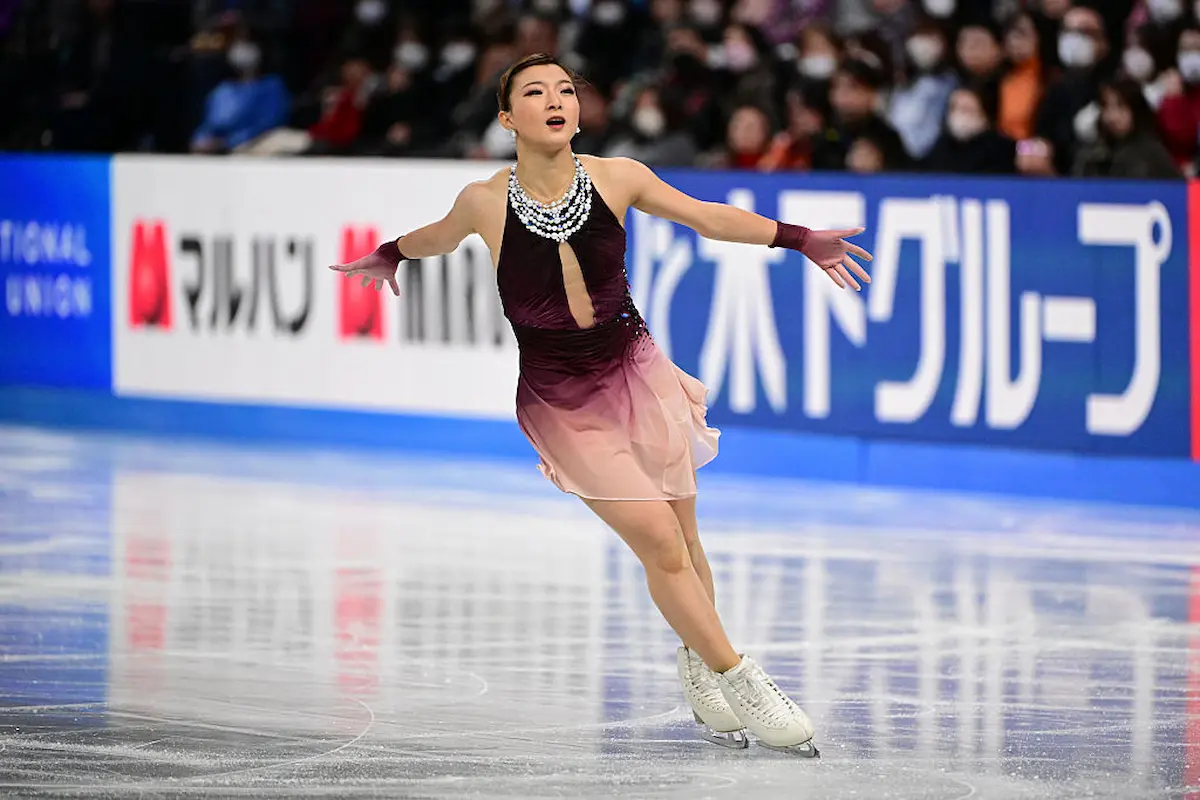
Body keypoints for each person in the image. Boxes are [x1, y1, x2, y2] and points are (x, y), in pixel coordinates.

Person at [328, 53, 872, 755]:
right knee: (657, 540)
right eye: (535, 91)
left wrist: (798, 239)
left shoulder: (619, 177)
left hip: (637, 371)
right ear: (506, 117)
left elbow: (707, 217)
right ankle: (741, 677)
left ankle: (698, 661)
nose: (556, 100)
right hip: (562, 401)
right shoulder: (484, 201)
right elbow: (433, 237)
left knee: (686, 540)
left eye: (566, 90)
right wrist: (390, 254)